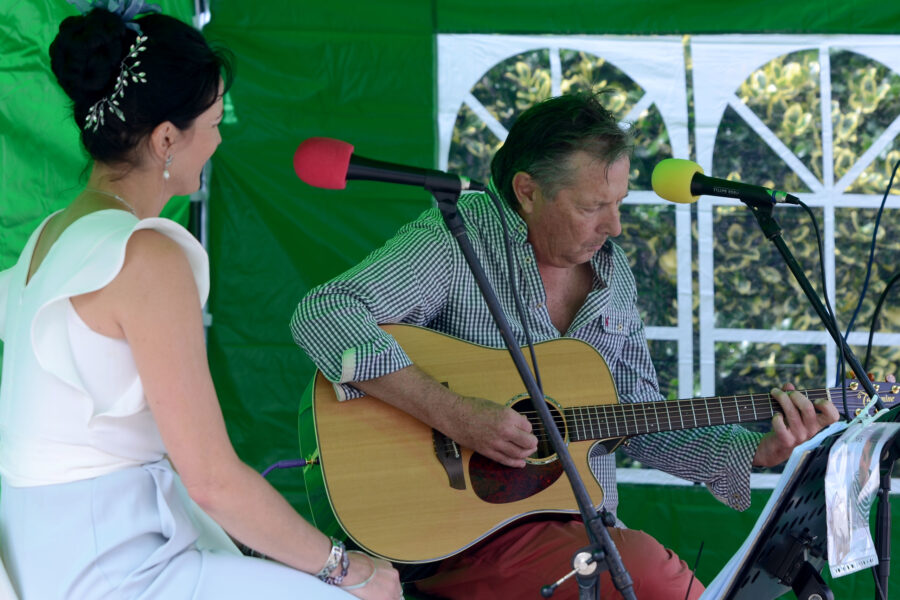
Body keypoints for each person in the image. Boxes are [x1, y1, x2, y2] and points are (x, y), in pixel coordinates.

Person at [290, 92, 840, 599]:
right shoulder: (463, 235)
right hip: (454, 536)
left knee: (640, 571)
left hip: (577, 530)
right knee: (650, 572)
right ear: (528, 191)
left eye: (619, 202)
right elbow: (325, 314)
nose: (616, 226)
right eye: (591, 206)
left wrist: (754, 451)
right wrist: (454, 414)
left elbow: (637, 420)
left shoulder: (610, 274)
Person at [0, 4, 401, 600]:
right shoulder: (142, 256)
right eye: (214, 121)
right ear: (166, 138)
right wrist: (349, 570)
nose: (218, 139)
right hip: (110, 566)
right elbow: (212, 479)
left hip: (40, 550)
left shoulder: (51, 235)